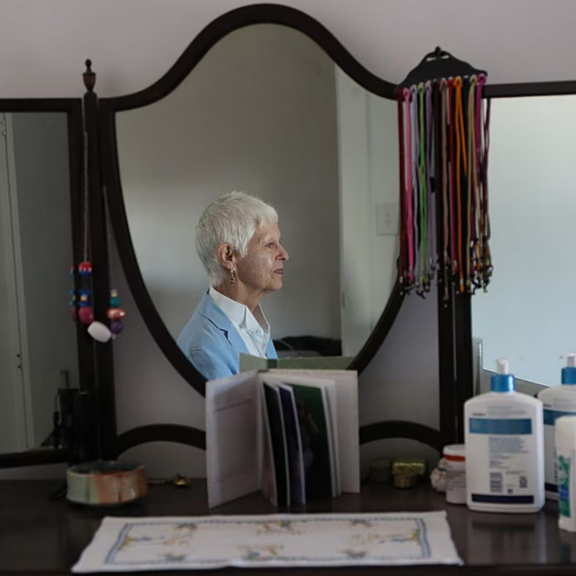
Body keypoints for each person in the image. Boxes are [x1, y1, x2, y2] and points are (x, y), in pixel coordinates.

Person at [177, 191, 289, 380]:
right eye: (269, 245)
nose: (284, 254)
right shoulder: (204, 351)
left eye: (279, 243)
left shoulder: (252, 324)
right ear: (228, 256)